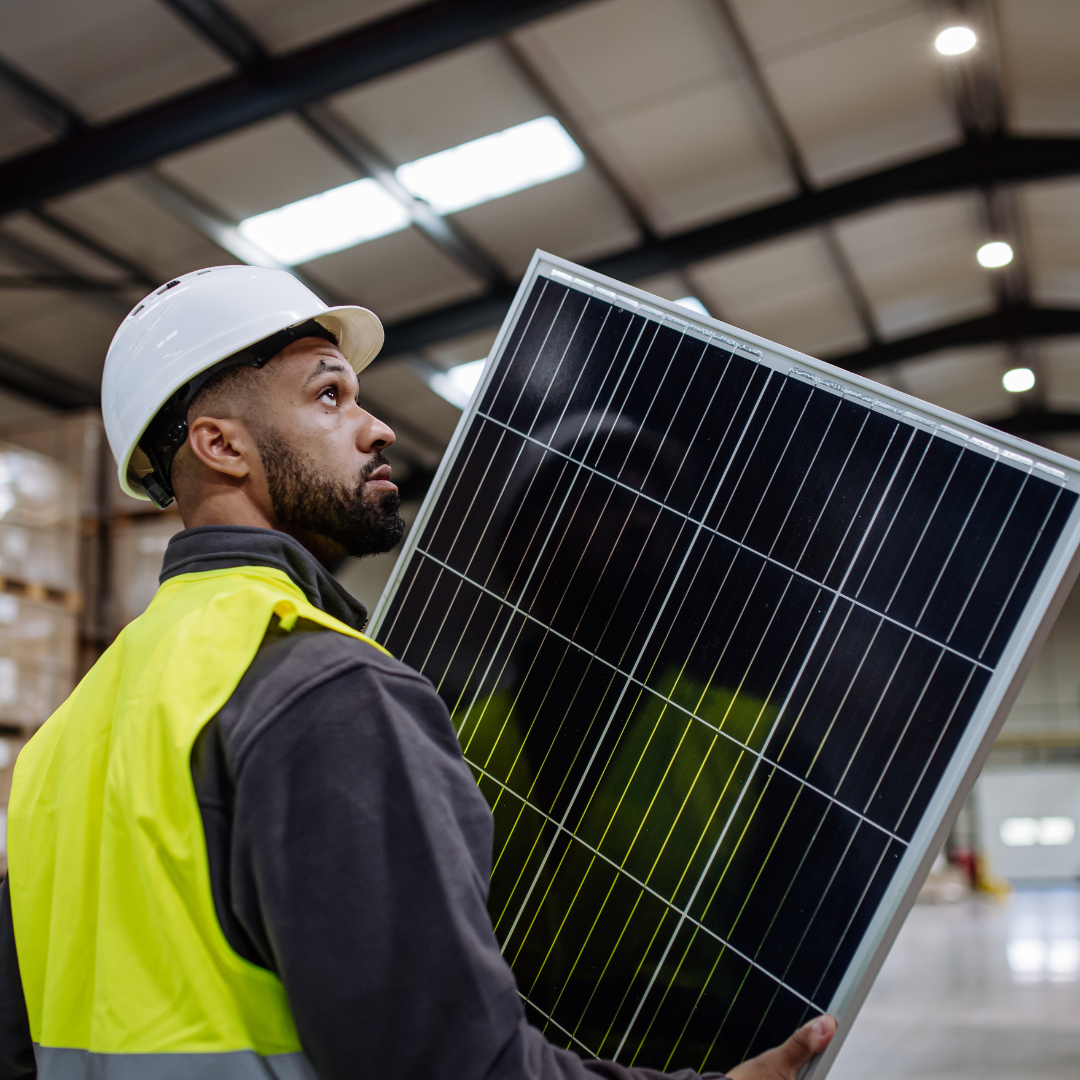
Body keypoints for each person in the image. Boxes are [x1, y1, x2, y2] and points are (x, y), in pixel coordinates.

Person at [0, 267, 836, 1080]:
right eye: (330, 395)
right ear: (222, 446)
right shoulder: (326, 689)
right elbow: (448, 1061)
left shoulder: (64, 740)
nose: (377, 427)